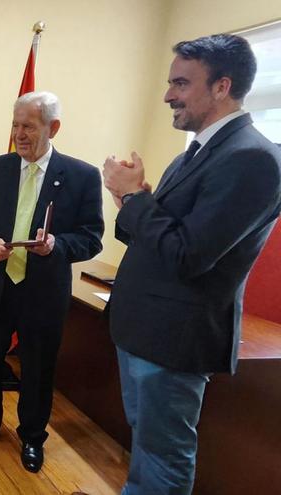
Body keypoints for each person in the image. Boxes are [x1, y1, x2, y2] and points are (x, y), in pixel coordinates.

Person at [103, 34, 281, 494]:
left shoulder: (256, 160)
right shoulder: (193, 155)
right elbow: (153, 235)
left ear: (222, 87)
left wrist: (131, 197)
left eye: (181, 83)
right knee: (146, 442)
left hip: (174, 341)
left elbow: (189, 255)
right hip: (143, 330)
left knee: (164, 458)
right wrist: (134, 198)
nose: (168, 95)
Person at [0, 91, 104, 473]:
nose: (18, 134)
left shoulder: (82, 176)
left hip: (43, 291)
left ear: (53, 128)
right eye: (15, 125)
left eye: (28, 126)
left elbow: (92, 237)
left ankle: (31, 436)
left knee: (38, 367)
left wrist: (57, 245)